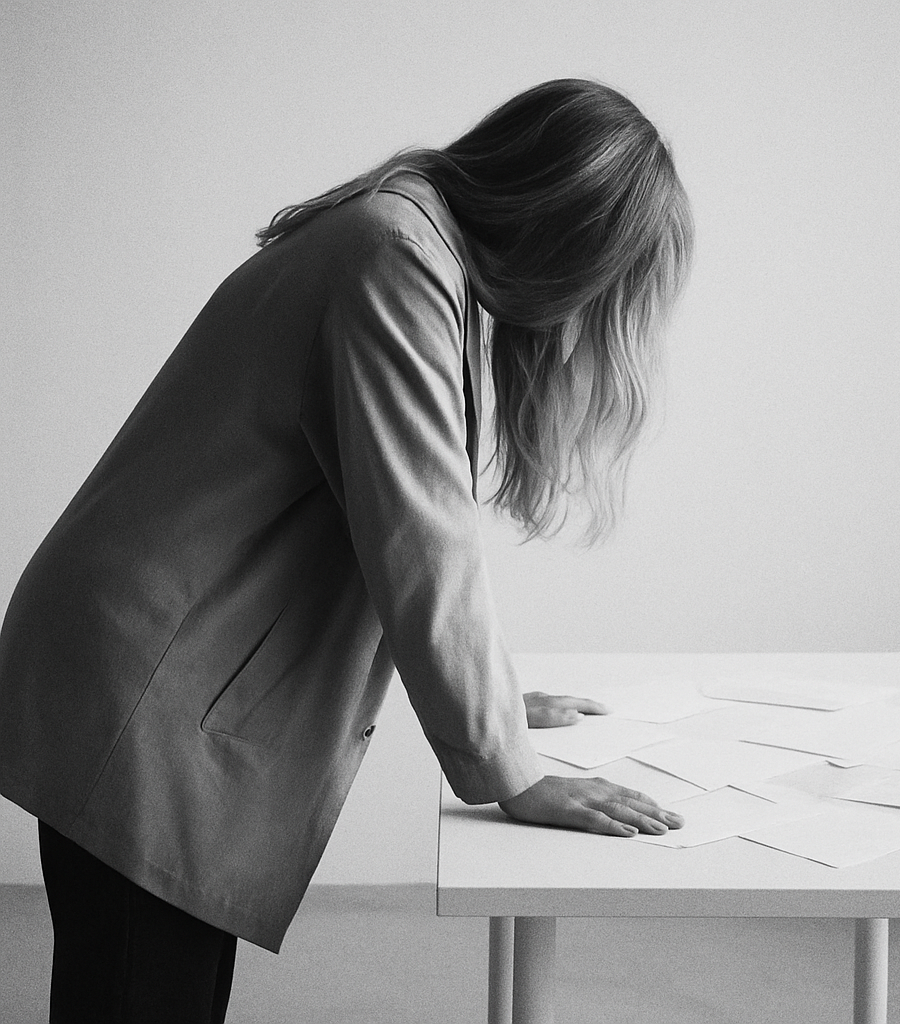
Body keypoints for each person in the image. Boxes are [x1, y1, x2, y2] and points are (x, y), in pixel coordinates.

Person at [0, 78, 694, 1022]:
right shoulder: (396, 257)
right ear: (562, 230)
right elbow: (421, 536)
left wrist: (499, 706)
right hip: (140, 691)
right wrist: (510, 768)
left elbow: (398, 531)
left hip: (143, 671)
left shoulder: (404, 240)